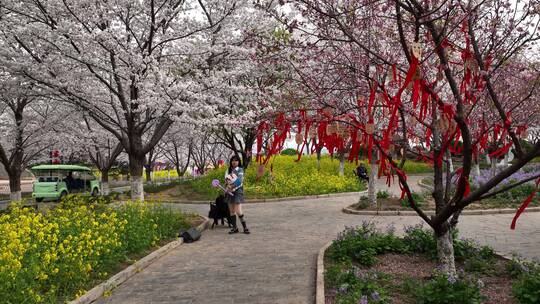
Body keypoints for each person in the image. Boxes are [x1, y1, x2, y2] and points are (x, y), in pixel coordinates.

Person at [224, 155, 250, 234]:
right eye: (232, 160)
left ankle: (245, 227)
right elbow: (226, 180)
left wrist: (232, 186)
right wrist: (227, 186)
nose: (234, 162)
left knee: (238, 211)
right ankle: (235, 228)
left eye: (236, 160)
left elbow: (240, 181)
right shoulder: (228, 170)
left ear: (238, 162)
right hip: (229, 192)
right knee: (232, 211)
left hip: (237, 191)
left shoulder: (240, 170)